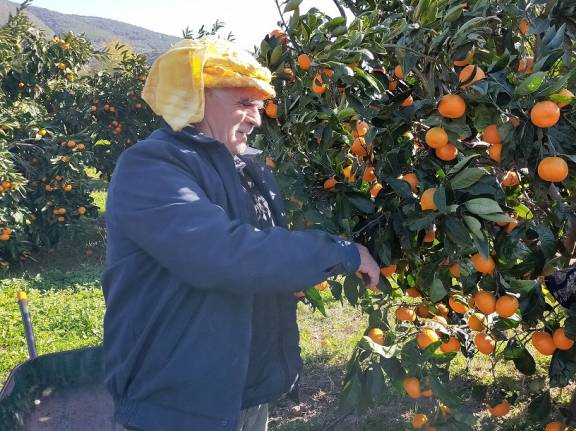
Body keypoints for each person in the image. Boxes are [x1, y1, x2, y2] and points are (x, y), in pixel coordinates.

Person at [101, 37, 380, 431]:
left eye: (258, 105)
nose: (256, 118)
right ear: (197, 98)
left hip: (243, 393)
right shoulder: (150, 167)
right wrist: (338, 251)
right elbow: (223, 254)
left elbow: (261, 249)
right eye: (244, 104)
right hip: (177, 404)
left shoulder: (246, 168)